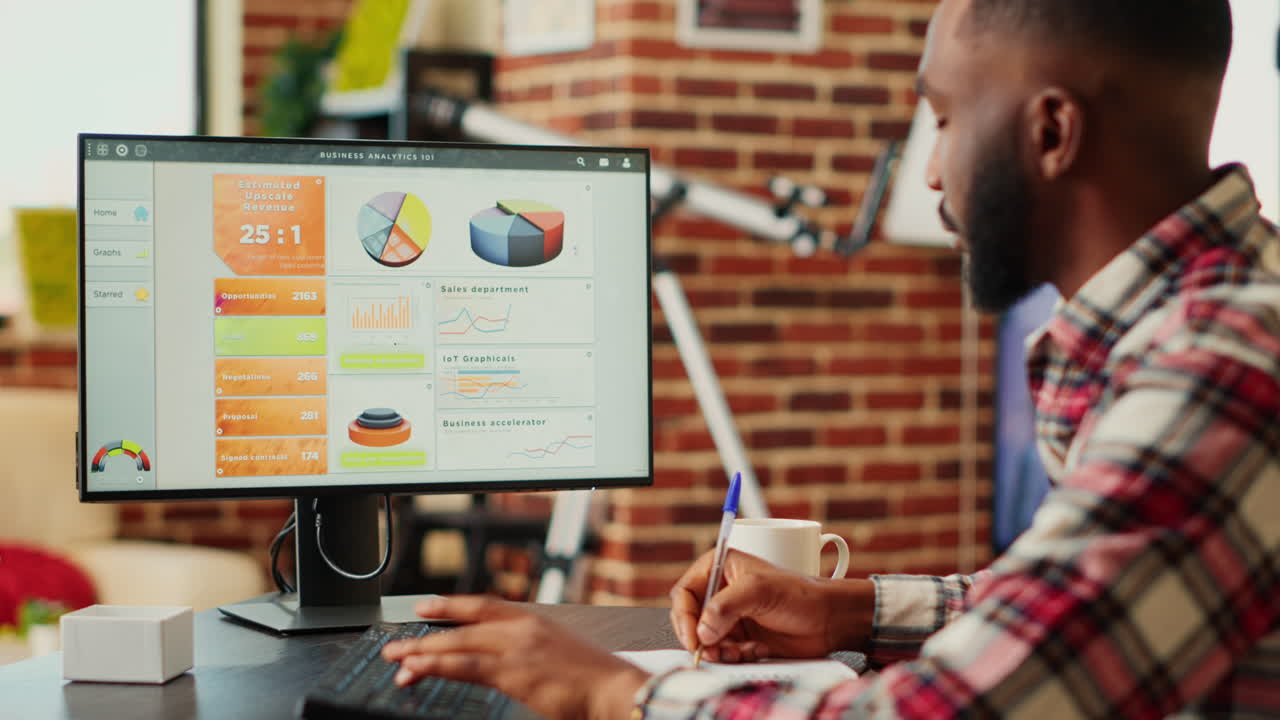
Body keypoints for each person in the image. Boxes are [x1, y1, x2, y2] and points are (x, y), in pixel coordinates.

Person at [382, 0, 1280, 716]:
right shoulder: (1194, 321)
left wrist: (613, 691)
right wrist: (848, 610)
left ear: (1050, 133)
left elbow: (959, 710)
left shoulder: (1217, 364)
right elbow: (1078, 612)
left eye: (944, 117)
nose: (931, 174)